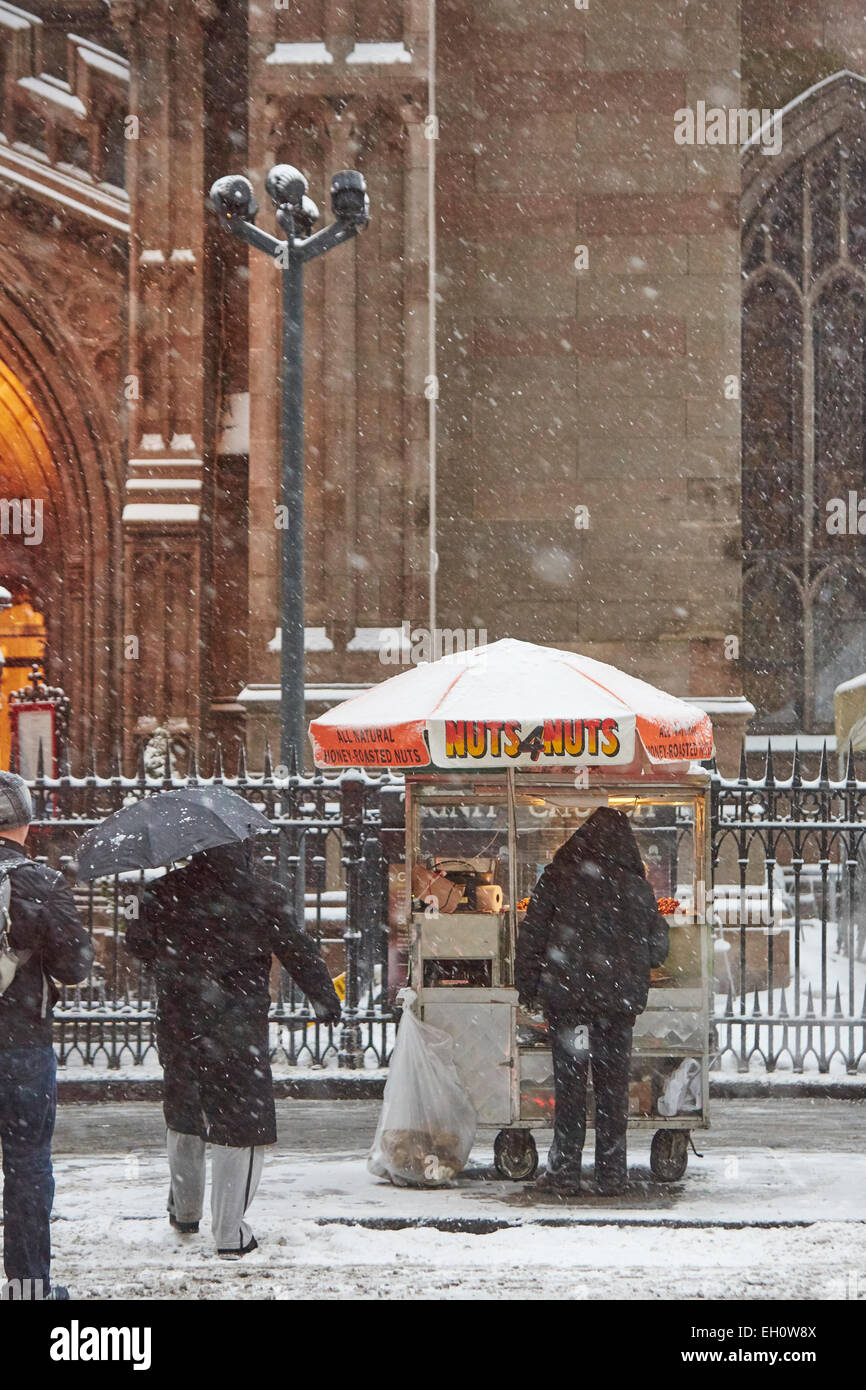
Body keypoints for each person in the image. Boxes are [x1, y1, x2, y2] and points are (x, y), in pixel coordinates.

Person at [125, 839, 341, 1257]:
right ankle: (229, 1233)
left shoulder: (161, 890)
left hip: (177, 1020)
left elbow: (137, 945)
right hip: (235, 1028)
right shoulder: (262, 893)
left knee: (185, 1114)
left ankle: (185, 1211)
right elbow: (296, 947)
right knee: (241, 1126)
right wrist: (323, 996)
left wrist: (177, 962)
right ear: (242, 848)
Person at [515, 806, 669, 1195]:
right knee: (611, 1091)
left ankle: (565, 1172)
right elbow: (658, 949)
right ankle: (611, 1174)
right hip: (615, 1013)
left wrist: (527, 986)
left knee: (569, 1089)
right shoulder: (636, 886)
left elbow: (532, 935)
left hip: (570, 1010)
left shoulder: (559, 877)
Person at [0, 770, 93, 1299]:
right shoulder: (43, 882)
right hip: (21, 1043)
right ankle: (29, 1286)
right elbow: (76, 965)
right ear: (27, 823)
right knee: (28, 1162)